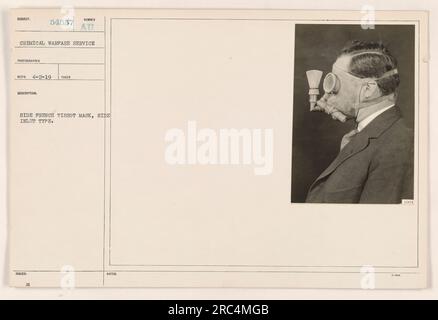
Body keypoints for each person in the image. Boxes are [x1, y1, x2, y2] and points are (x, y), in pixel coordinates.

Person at [306, 40, 414, 203]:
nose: (327, 93)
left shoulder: (397, 146)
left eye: (335, 83)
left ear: (368, 90)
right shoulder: (365, 136)